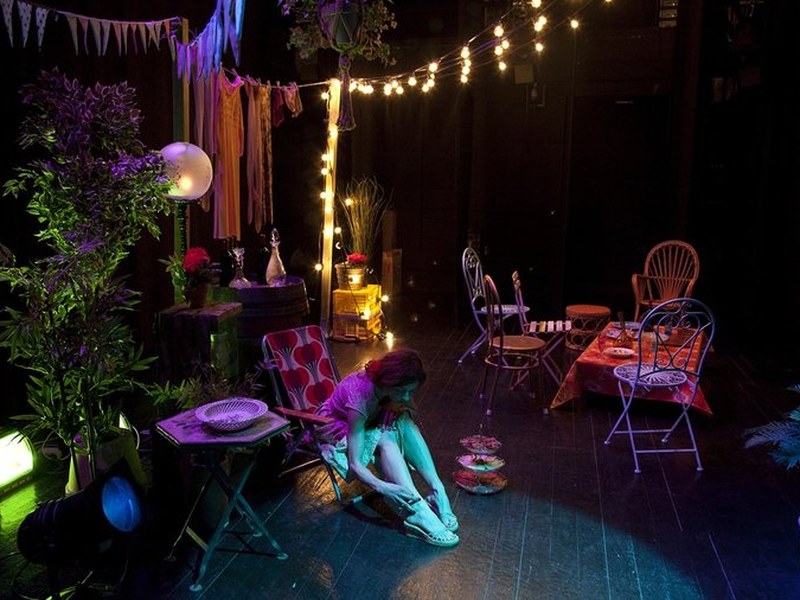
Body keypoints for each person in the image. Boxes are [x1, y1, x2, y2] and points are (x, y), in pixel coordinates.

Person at [316, 349, 459, 547]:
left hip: (370, 419)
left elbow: (412, 411)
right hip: (337, 426)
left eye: (411, 391)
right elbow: (355, 465)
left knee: (404, 420)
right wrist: (382, 486)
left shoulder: (393, 386)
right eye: (402, 392)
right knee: (386, 435)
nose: (406, 397)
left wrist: (396, 407)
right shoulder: (360, 398)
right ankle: (417, 510)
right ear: (387, 383)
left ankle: (437, 490)